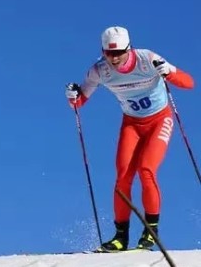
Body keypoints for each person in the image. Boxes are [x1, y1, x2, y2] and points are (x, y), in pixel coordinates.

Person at [66, 25, 194, 252]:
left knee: (146, 171)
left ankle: (150, 231)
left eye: (119, 53)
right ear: (103, 51)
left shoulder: (148, 59)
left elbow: (189, 83)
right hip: (132, 124)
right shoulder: (99, 71)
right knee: (123, 176)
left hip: (159, 121)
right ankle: (120, 237)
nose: (114, 59)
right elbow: (79, 102)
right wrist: (73, 96)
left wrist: (169, 72)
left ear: (129, 48)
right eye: (109, 53)